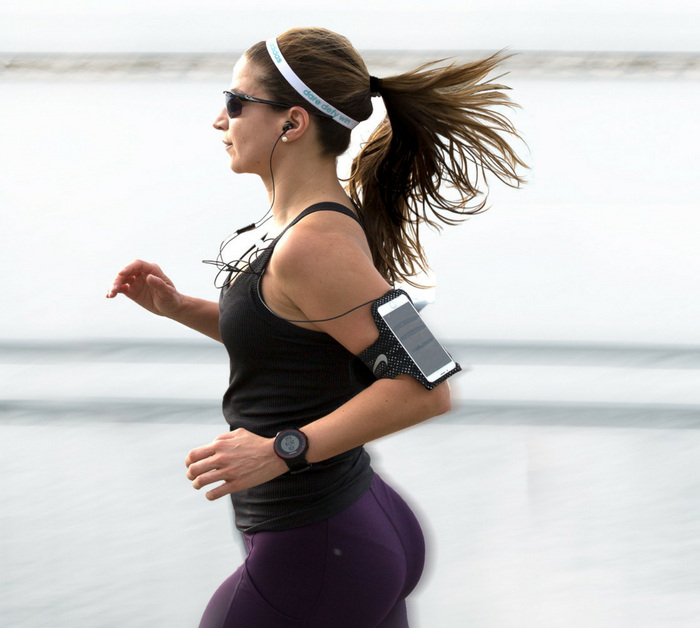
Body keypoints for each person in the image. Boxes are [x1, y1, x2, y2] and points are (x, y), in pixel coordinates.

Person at [106, 27, 526, 628]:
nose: (219, 121)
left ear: (291, 123)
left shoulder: (314, 245)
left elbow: (428, 384)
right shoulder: (319, 226)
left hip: (320, 547)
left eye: (234, 101)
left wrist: (283, 449)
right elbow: (296, 339)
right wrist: (178, 307)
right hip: (349, 529)